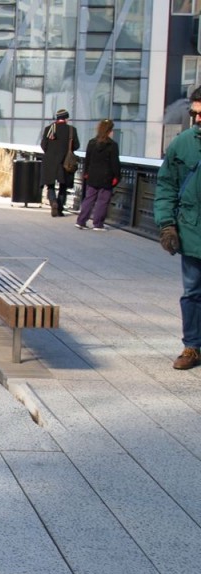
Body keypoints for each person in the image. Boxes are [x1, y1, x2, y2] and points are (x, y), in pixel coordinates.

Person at [155, 86, 201, 370]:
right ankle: (192, 347)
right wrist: (167, 225)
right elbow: (166, 185)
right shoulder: (183, 143)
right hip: (193, 231)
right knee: (193, 292)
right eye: (195, 113)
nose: (197, 120)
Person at [75, 119, 120, 231]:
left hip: (92, 175)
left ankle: (81, 221)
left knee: (89, 199)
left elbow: (87, 160)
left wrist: (86, 173)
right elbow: (115, 163)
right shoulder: (112, 145)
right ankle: (98, 223)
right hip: (106, 177)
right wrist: (117, 176)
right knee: (102, 201)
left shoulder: (91, 142)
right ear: (109, 131)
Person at [40, 108, 80, 217]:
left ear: (57, 118)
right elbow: (76, 146)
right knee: (63, 186)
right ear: (66, 118)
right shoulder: (71, 130)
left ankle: (53, 202)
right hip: (65, 162)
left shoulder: (49, 129)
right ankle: (60, 209)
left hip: (49, 161)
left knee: (51, 186)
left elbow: (43, 145)